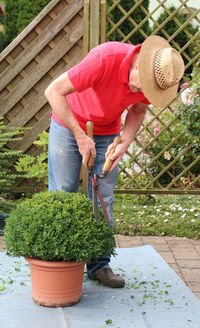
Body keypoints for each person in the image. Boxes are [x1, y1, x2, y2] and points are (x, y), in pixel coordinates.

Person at [45, 35, 184, 288]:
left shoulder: (155, 77)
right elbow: (52, 91)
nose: (142, 93)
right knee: (63, 191)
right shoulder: (104, 59)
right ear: (138, 64)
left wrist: (123, 144)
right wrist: (79, 134)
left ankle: (99, 266)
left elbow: (138, 111)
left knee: (102, 197)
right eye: (142, 87)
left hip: (107, 130)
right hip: (69, 123)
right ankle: (59, 262)